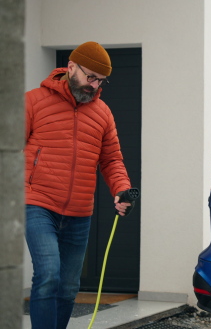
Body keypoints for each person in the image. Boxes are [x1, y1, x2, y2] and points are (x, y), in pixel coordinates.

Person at [24, 41, 135, 329]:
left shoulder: (103, 113)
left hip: (79, 212)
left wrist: (121, 189)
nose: (95, 85)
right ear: (71, 67)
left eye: (100, 80)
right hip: (38, 203)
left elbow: (112, 160)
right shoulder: (33, 101)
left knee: (69, 286)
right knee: (48, 274)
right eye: (90, 77)